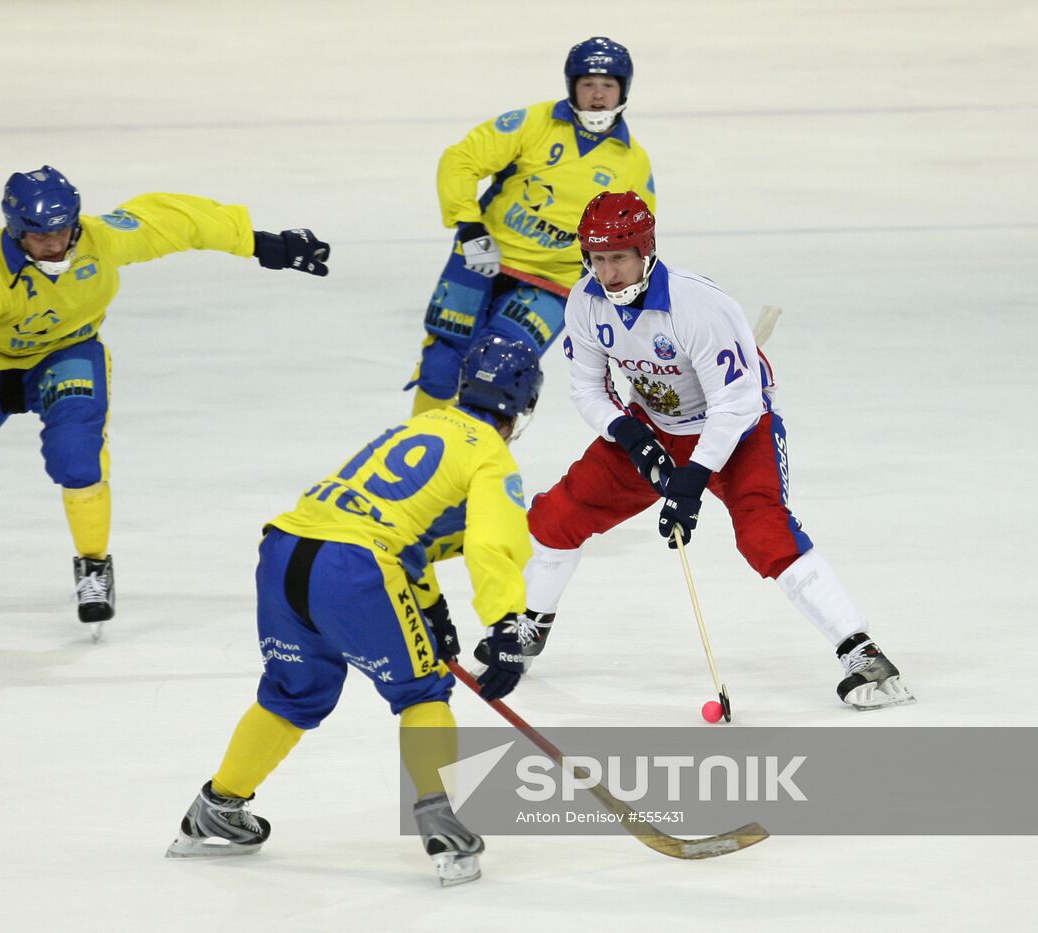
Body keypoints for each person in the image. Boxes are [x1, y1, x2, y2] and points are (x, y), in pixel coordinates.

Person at [0, 166, 331, 630]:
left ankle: (93, 564)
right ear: (17, 232)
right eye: (41, 236)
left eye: (64, 229)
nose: (56, 244)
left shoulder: (98, 241)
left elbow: (173, 221)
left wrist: (264, 244)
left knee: (77, 457)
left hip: (66, 354)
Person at [166, 336, 543, 886]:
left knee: (293, 694)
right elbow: (491, 543)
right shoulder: (491, 452)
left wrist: (431, 609)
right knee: (422, 690)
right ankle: (440, 821)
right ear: (522, 408)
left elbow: (393, 524)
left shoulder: (417, 426)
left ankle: (217, 808)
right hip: (353, 568)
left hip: (285, 549)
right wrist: (508, 622)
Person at [518, 191, 914, 711]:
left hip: (739, 427)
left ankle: (860, 650)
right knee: (559, 512)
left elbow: (737, 400)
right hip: (655, 425)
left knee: (762, 529)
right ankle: (527, 627)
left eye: (618, 257)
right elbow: (587, 389)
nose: (608, 272)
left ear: (646, 251)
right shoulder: (585, 302)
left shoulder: (697, 306)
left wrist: (694, 478)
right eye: (597, 259)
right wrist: (632, 437)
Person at [405, 36, 656, 415]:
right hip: (482, 255)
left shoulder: (632, 161)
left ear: (624, 90)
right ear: (572, 86)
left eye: (608, 85)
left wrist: (628, 296)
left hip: (552, 283)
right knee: (442, 363)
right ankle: (429, 455)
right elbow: (460, 159)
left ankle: (474, 462)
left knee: (499, 375)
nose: (598, 95)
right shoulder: (533, 123)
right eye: (588, 84)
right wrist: (469, 225)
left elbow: (638, 238)